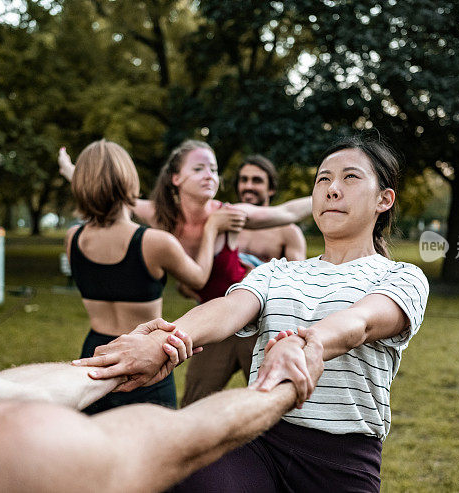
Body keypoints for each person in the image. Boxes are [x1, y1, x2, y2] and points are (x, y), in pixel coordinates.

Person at [0, 88, 324, 492]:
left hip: (107, 348)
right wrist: (279, 385)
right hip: (152, 351)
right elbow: (178, 436)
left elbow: (6, 387)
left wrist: (120, 360)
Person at [75, 135, 430, 491]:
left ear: (384, 199)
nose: (332, 189)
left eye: (350, 178)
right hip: (258, 439)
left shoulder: (401, 276)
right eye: (323, 179)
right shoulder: (278, 271)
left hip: (340, 460)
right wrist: (163, 339)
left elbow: (360, 323)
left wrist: (309, 343)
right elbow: (229, 309)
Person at [60, 140, 313, 405]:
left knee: (275, 399)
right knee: (193, 403)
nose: (209, 175)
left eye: (214, 169)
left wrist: (329, 188)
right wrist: (73, 172)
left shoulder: (230, 215)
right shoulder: (161, 215)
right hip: (210, 323)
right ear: (176, 178)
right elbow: (110, 188)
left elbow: (286, 212)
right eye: (199, 168)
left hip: (252, 320)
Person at [65, 139, 245, 413]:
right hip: (144, 357)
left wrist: (72, 171)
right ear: (130, 181)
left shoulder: (72, 238)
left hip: (96, 354)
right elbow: (198, 280)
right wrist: (211, 229)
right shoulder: (154, 242)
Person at [177, 154, 308, 406]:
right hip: (217, 326)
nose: (248, 186)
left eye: (257, 180)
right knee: (193, 402)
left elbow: (298, 286)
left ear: (270, 188)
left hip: (262, 329)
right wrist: (193, 287)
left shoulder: (287, 232)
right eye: (244, 179)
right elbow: (190, 278)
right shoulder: (220, 222)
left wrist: (256, 277)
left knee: (271, 402)